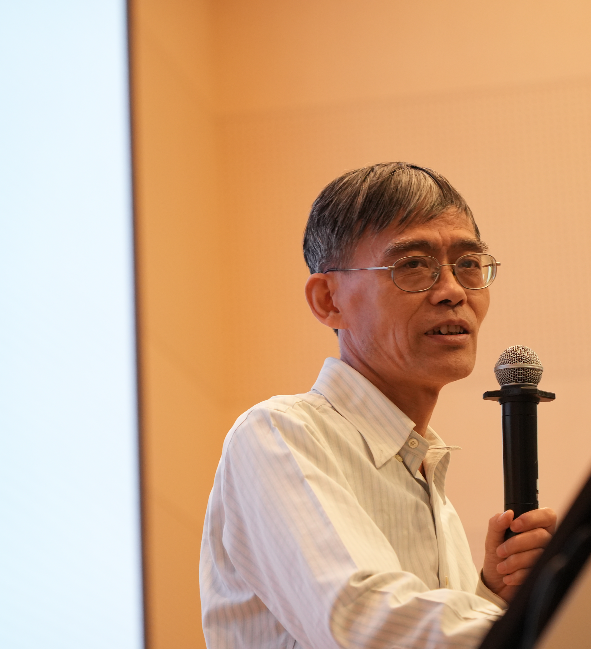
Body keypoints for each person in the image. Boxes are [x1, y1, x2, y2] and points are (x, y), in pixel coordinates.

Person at [200, 162, 557, 648]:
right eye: (413, 265)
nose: (453, 291)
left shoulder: (428, 482)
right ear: (329, 300)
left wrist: (492, 597)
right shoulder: (279, 435)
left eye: (469, 264)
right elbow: (363, 622)